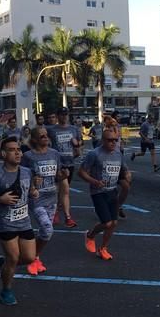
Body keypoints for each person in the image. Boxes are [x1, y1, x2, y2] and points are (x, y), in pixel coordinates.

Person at [0, 136, 39, 305]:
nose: (18, 152)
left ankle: (5, 264)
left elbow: (31, 188)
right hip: (5, 222)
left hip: (24, 221)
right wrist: (0, 200)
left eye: (19, 149)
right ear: (3, 154)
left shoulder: (26, 171)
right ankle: (6, 291)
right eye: (12, 150)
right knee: (14, 257)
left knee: (29, 258)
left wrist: (34, 192)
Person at [79, 128, 128, 260]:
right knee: (107, 223)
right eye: (109, 140)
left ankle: (103, 248)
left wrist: (127, 175)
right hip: (98, 192)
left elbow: (123, 170)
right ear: (102, 140)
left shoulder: (118, 154)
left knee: (114, 223)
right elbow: (82, 172)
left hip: (112, 191)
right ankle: (90, 235)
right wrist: (94, 181)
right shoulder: (94, 154)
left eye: (115, 140)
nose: (113, 142)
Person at [22, 127, 65, 274]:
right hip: (37, 198)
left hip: (52, 197)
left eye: (46, 135)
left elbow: (58, 175)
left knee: (43, 231)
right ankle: (32, 257)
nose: (46, 138)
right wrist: (32, 182)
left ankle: (35, 257)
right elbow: (21, 177)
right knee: (47, 229)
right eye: (42, 136)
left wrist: (63, 175)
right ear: (34, 140)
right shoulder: (28, 156)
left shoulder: (54, 154)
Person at [49, 107, 79, 228]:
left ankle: (55, 210)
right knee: (64, 189)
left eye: (66, 114)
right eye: (61, 114)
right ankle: (67, 217)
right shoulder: (52, 130)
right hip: (57, 163)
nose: (64, 116)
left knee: (63, 190)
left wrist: (77, 145)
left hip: (70, 162)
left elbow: (79, 143)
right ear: (58, 116)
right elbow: (45, 143)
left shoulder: (74, 129)